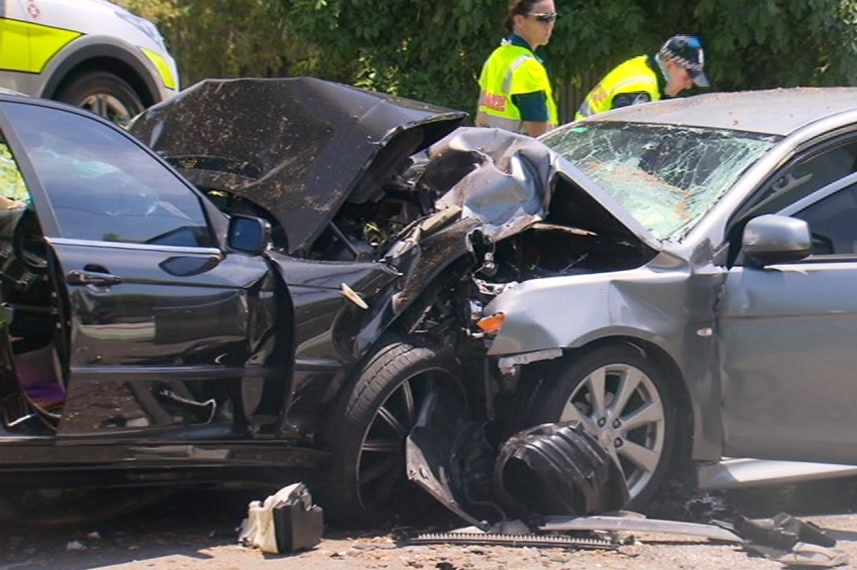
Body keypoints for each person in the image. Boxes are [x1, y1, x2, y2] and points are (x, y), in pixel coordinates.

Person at [575, 35, 710, 120]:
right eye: (687, 78)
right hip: (586, 154)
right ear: (670, 64)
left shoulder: (642, 63)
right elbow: (624, 141)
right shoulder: (640, 89)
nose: (688, 86)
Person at [476, 0, 559, 137]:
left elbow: (481, 118)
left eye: (553, 18)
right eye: (543, 18)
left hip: (493, 150)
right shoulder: (527, 66)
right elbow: (540, 135)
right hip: (523, 154)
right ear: (520, 20)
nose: (549, 25)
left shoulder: (497, 56)